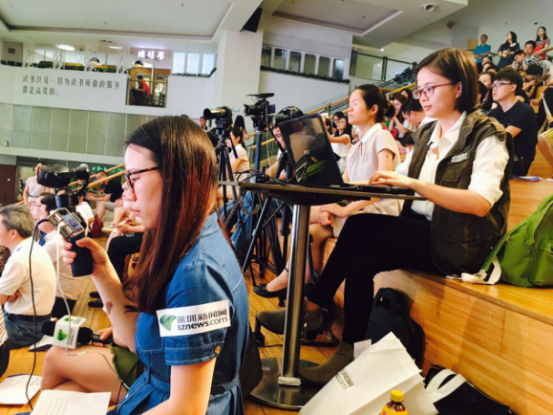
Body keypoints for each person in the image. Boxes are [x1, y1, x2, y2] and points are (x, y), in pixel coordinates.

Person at [257, 48, 513, 386]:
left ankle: (314, 307)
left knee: (361, 227)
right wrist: (343, 188)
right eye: (419, 89)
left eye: (430, 88)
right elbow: (394, 181)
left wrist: (413, 184)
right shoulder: (429, 132)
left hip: (461, 244)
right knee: (360, 257)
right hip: (423, 231)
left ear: (459, 87)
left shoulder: (487, 134)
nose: (422, 96)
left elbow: (480, 203)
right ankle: (348, 349)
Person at [59, 116, 249, 414]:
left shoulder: (197, 277)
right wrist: (100, 269)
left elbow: (187, 408)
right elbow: (137, 340)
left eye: (133, 177)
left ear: (177, 177)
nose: (126, 192)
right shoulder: (190, 236)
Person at [254, 85, 401, 299]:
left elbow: (382, 187)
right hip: (355, 209)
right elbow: (343, 187)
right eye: (349, 104)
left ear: (373, 109)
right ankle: (307, 287)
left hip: (375, 212)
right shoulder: (356, 147)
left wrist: (340, 210)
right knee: (310, 232)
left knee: (303, 214)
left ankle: (291, 279)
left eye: (355, 103)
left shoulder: (383, 136)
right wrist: (328, 208)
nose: (349, 109)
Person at [0, 205, 56, 349]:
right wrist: (7, 295)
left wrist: (6, 296)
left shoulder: (19, 259)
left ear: (13, 233)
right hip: (34, 322)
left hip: (24, 328)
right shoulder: (33, 247)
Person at [42, 326, 141, 406]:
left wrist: (121, 333)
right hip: (141, 352)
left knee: (55, 355)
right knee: (61, 393)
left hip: (145, 368)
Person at [36, 194, 83, 318]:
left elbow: (29, 269)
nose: (37, 217)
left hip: (60, 303)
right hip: (64, 298)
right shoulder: (56, 236)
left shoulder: (55, 242)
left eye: (41, 213)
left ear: (53, 218)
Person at [489, 68, 538, 176]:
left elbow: (503, 137)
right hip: (498, 157)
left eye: (499, 84)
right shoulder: (495, 112)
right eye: (493, 85)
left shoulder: (524, 110)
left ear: (512, 87)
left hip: (516, 161)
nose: (494, 89)